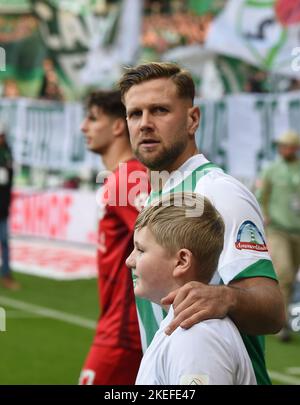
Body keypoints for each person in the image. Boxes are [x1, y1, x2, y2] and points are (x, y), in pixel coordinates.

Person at [119, 62, 285, 385]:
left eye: (160, 111)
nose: (145, 124)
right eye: (134, 114)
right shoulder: (157, 198)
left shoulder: (216, 192)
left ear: (193, 119)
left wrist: (228, 298)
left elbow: (273, 310)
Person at [126, 192, 257, 385]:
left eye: (141, 250)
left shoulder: (196, 338)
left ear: (182, 261)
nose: (129, 261)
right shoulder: (184, 328)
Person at [79, 90, 149, 385]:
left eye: (93, 118)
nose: (84, 127)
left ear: (118, 126)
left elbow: (167, 237)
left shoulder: (127, 179)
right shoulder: (122, 178)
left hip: (123, 332)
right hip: (124, 328)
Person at [258, 130, 300, 342]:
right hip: (278, 230)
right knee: (283, 273)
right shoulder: (272, 170)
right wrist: (264, 216)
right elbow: (261, 197)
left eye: (287, 145)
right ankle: (282, 324)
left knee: (291, 277)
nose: (283, 148)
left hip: (298, 230)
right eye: (281, 144)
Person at [0, 127, 20, 290]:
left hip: (3, 207)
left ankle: (6, 274)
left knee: (5, 241)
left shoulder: (7, 152)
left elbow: (9, 178)